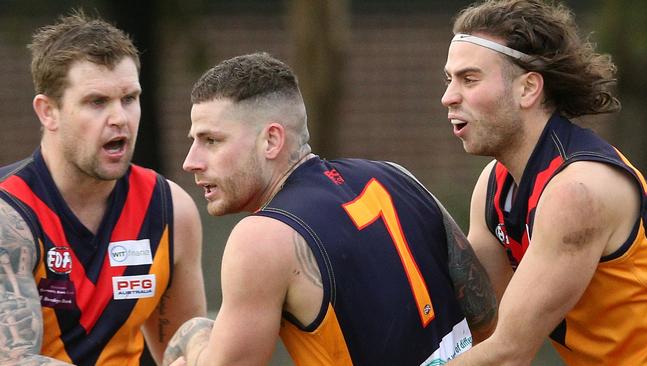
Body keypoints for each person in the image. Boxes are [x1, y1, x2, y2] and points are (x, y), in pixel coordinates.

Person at [161, 52, 496, 366]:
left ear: (271, 141)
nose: (191, 162)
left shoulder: (262, 237)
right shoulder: (397, 175)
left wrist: (193, 336)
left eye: (211, 141)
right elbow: (485, 313)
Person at [440, 0, 647, 365]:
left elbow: (508, 353)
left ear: (528, 89)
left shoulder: (577, 191)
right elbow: (475, 320)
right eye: (449, 79)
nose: (448, 97)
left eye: (469, 79)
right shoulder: (495, 183)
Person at [0, 11, 207, 365]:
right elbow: (13, 359)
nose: (120, 118)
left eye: (129, 98)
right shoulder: (10, 214)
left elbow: (181, 344)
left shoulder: (169, 208)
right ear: (47, 112)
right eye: (97, 102)